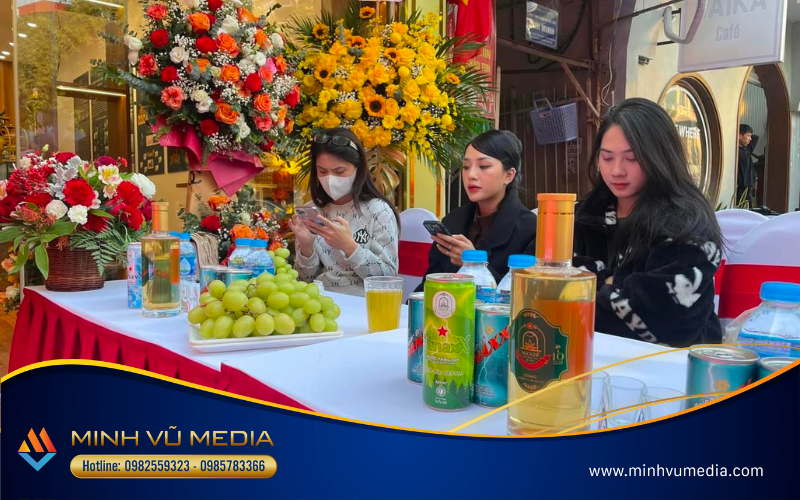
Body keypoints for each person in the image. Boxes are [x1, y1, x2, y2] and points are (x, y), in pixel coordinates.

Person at [573, 98, 724, 347]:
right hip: (586, 355)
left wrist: (592, 284)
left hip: (670, 364)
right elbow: (549, 281)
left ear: (660, 157)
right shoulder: (584, 215)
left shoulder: (685, 222)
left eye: (632, 158)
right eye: (607, 158)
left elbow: (665, 319)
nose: (617, 170)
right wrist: (619, 287)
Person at [415, 130, 536, 291]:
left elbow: (524, 293)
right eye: (466, 167)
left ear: (509, 175)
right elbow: (429, 285)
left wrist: (474, 265)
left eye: (484, 166)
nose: (471, 175)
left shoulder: (531, 229)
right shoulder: (453, 221)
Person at [288, 128, 400, 296]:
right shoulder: (313, 210)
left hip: (364, 302)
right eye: (322, 171)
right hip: (321, 299)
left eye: (339, 171)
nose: (330, 179)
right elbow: (304, 280)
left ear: (358, 169)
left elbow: (388, 278)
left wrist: (349, 247)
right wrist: (306, 247)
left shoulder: (378, 211)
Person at [737, 124, 759, 208]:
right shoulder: (737, 151)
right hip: (741, 188)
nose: (750, 138)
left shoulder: (747, 149)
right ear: (739, 136)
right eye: (748, 135)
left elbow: (755, 138)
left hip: (749, 188)